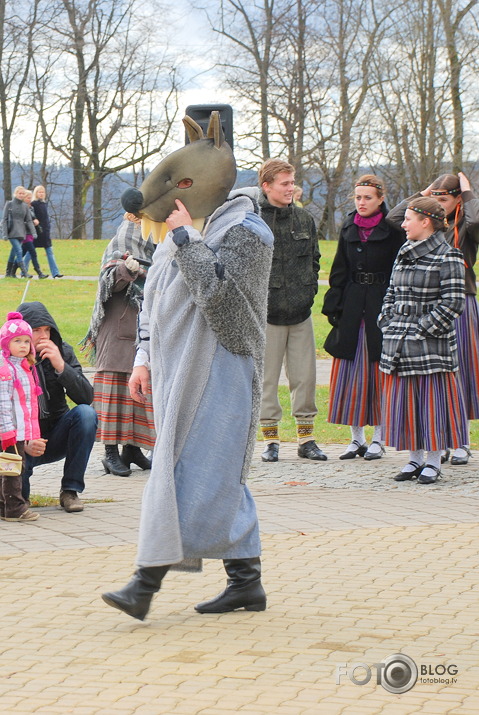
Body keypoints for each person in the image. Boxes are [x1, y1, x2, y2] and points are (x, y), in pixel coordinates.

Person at [102, 111, 273, 621]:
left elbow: (223, 302)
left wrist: (185, 240)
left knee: (188, 472)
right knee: (210, 475)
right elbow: (152, 300)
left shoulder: (249, 232)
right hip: (177, 372)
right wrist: (144, 358)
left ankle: (144, 584)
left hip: (223, 368)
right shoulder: (185, 230)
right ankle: (246, 582)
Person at [387, 171, 479, 466]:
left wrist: (467, 193)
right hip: (412, 318)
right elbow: (394, 218)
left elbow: (476, 220)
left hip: (455, 304)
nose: (438, 203)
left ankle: (458, 441)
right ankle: (419, 454)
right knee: (420, 387)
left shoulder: (464, 227)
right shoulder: (412, 235)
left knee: (455, 375)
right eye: (434, 199)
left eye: (443, 198)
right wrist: (424, 195)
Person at [378, 196, 467, 484]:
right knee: (407, 403)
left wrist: (421, 329)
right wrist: (387, 321)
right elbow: (391, 291)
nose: (403, 224)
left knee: (432, 404)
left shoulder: (448, 255)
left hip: (431, 345)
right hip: (399, 341)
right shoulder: (404, 249)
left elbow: (453, 302)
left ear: (425, 222)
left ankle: (433, 460)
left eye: (408, 219)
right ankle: (414, 459)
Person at [322, 175, 404, 460]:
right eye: (358, 197)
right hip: (353, 305)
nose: (361, 202)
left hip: (381, 303)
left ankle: (379, 439)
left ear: (380, 199)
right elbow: (339, 269)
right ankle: (356, 439)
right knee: (351, 374)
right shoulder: (348, 226)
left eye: (368, 197)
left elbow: (399, 269)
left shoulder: (394, 229)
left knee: (378, 373)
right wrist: (335, 306)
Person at [257, 158, 326, 463]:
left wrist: (308, 293)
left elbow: (314, 260)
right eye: (284, 183)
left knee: (304, 378)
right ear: (266, 186)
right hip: (267, 315)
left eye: (292, 182)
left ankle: (306, 439)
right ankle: (270, 440)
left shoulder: (304, 220)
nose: (290, 188)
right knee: (266, 381)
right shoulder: (254, 220)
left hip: (301, 313)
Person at [82, 214, 156, 477]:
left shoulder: (157, 242)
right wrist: (128, 270)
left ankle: (132, 450)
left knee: (140, 392)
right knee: (113, 391)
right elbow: (108, 283)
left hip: (145, 328)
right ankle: (110, 452)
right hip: (117, 327)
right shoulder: (119, 244)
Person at [16, 301, 97, 512]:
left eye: (47, 330)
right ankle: (17, 495)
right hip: (20, 441)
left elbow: (85, 397)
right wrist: (24, 442)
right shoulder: (7, 361)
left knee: (86, 414)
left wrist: (61, 365)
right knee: (18, 504)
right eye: (36, 330)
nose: (43, 336)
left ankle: (70, 490)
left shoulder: (62, 352)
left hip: (55, 434)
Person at [0, 312, 41, 522]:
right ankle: (15, 508)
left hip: (19, 430)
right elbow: (3, 402)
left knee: (12, 466)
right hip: (9, 431)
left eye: (27, 341)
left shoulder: (23, 366)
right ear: (6, 343)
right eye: (17, 341)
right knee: (12, 468)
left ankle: (5, 506)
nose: (23, 345)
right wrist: (7, 430)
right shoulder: (6, 369)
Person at [11, 190, 49, 279]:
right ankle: (39, 272)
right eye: (28, 198)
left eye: (30, 198)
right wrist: (31, 222)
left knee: (23, 253)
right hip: (24, 233)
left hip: (31, 233)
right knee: (33, 252)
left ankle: (12, 271)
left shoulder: (31, 208)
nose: (30, 199)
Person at [29, 185, 64, 278]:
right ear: (36, 193)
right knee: (30, 252)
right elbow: (31, 216)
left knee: (49, 252)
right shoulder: (34, 204)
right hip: (37, 232)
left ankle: (55, 273)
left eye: (42, 192)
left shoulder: (44, 204)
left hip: (45, 232)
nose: (41, 194)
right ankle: (22, 270)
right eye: (39, 192)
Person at [2, 186, 35, 278]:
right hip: (11, 232)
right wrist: (4, 233)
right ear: (15, 194)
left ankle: (9, 273)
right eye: (19, 193)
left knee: (13, 252)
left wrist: (33, 232)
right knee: (19, 250)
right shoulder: (9, 204)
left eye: (23, 193)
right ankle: (24, 272)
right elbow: (4, 219)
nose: (21, 195)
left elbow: (29, 220)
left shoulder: (25, 206)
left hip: (21, 233)